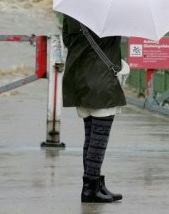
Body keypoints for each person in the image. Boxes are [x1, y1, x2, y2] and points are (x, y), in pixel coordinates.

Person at [61, 13, 127, 203]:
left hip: (78, 79)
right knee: (98, 140)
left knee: (91, 137)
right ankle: (90, 190)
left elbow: (67, 41)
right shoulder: (111, 14)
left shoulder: (71, 12)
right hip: (101, 81)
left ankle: (95, 184)